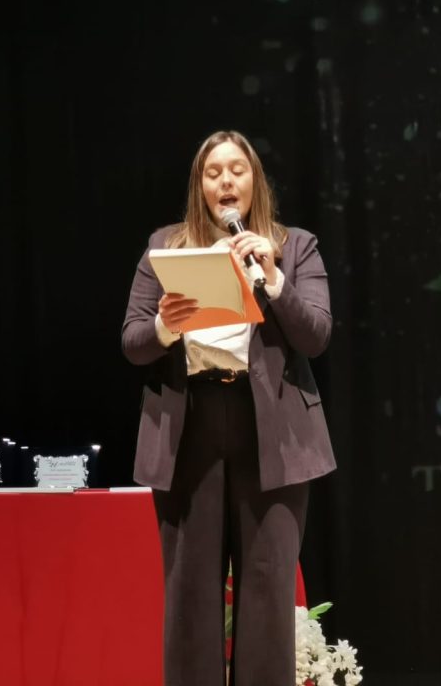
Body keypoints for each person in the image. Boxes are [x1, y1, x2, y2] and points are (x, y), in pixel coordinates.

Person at [122, 130, 335, 686]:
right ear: (200, 186)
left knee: (267, 593)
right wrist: (166, 325)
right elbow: (133, 342)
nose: (225, 182)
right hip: (189, 429)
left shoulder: (294, 246)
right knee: (190, 596)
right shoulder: (166, 247)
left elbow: (315, 337)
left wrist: (275, 279)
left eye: (236, 170)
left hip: (272, 433)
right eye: (213, 172)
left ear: (254, 181)